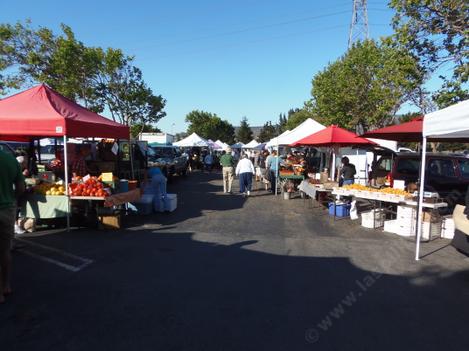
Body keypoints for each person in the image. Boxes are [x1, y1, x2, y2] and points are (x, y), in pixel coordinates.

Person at [0, 149, 25, 303]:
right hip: (7, 209)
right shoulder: (10, 160)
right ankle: (5, 285)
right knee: (4, 251)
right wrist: (11, 199)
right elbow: (21, 188)